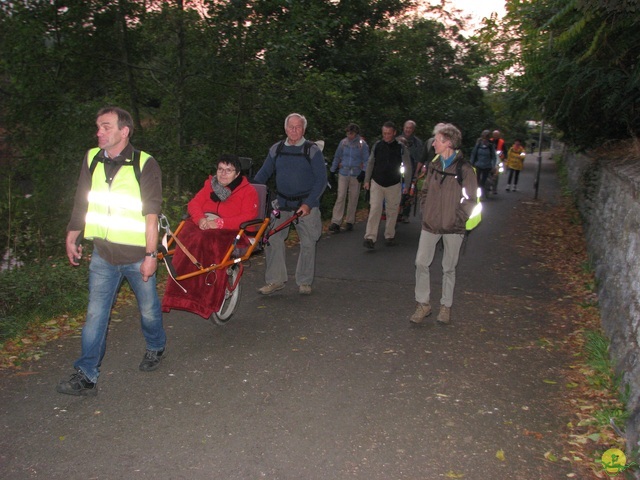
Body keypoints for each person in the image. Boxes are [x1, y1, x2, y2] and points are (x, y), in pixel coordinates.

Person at [57, 106, 166, 396]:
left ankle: (155, 346)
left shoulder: (145, 164)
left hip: (136, 256)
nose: (99, 132)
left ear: (124, 131)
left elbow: (152, 215)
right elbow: (83, 197)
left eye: (106, 127)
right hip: (103, 255)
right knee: (95, 315)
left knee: (148, 310)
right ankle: (86, 374)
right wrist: (73, 233)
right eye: (98, 127)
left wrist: (150, 256)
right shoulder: (92, 158)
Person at [410, 123, 478, 325]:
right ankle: (423, 304)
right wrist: (426, 209)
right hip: (430, 224)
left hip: (453, 227)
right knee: (421, 262)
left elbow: (471, 199)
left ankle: (445, 306)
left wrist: (458, 218)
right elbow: (425, 191)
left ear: (448, 143)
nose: (433, 145)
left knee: (448, 267)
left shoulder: (465, 169)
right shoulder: (434, 165)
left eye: (437, 141)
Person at [253, 113, 327, 295]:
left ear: (304, 129)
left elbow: (321, 180)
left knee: (309, 241)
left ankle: (304, 281)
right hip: (283, 202)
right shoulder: (276, 149)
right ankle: (275, 280)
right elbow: (263, 174)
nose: (294, 130)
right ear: (285, 129)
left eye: (298, 127)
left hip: (306, 204)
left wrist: (309, 204)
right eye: (291, 127)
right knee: (272, 237)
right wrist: (250, 192)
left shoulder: (312, 150)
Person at [362, 121, 412, 249]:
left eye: (388, 133)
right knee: (375, 209)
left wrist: (407, 185)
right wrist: (367, 180)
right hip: (377, 182)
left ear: (394, 133)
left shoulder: (401, 148)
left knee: (392, 210)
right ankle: (370, 237)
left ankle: (389, 235)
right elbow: (371, 162)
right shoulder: (377, 145)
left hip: (394, 183)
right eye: (384, 133)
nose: (386, 136)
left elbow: (407, 166)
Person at [188, 154, 259, 230]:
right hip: (206, 223)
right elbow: (194, 203)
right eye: (220, 169)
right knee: (186, 234)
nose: (223, 173)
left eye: (228, 170)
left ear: (237, 174)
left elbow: (248, 217)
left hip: (232, 230)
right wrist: (200, 219)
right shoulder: (210, 184)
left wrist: (220, 223)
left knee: (204, 239)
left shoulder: (248, 191)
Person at [328, 123, 370, 233]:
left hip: (356, 173)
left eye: (351, 133)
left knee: (353, 197)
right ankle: (336, 222)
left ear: (356, 133)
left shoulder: (362, 144)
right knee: (341, 196)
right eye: (348, 133)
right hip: (343, 172)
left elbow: (366, 160)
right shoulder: (343, 143)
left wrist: (364, 172)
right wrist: (332, 171)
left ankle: (350, 221)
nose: (349, 135)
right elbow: (337, 156)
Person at [396, 120, 423, 223]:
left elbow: (419, 158)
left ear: (413, 129)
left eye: (410, 128)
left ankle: (406, 213)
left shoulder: (417, 143)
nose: (408, 130)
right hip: (397, 169)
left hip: (411, 169)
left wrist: (416, 172)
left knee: (409, 193)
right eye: (406, 127)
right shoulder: (397, 139)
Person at [469, 129, 497, 199]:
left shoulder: (490, 146)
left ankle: (482, 193)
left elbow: (494, 157)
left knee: (483, 181)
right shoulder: (478, 145)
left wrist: (493, 166)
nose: (485, 139)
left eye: (486, 137)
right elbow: (473, 154)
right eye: (484, 137)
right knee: (477, 180)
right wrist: (471, 164)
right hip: (478, 165)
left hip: (487, 166)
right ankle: (476, 194)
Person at [489, 130, 506, 195]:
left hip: (499, 160)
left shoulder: (502, 142)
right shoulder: (490, 141)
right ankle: (489, 186)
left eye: (497, 135)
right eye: (494, 134)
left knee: (496, 175)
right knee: (489, 174)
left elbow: (505, 150)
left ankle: (494, 188)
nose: (495, 136)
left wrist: (504, 158)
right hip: (490, 160)